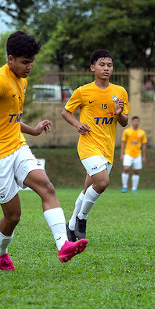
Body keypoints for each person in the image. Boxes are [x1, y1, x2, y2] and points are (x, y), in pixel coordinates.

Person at [0, 31, 87, 270]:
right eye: (25, 61)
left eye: (32, 61)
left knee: (47, 187)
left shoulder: (22, 80)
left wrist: (32, 131)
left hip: (17, 146)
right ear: (10, 59)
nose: (29, 66)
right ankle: (0, 249)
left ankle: (63, 245)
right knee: (13, 217)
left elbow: (8, 118)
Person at [61, 49, 129, 241]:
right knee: (102, 182)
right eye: (102, 64)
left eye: (109, 65)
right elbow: (65, 112)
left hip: (107, 148)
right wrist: (77, 124)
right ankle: (82, 218)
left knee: (87, 189)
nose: (106, 68)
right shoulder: (82, 91)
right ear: (93, 67)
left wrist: (119, 113)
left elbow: (124, 122)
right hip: (88, 145)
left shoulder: (119, 92)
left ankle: (71, 226)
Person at [120, 116, 147, 193]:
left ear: (139, 122)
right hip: (128, 153)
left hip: (138, 154)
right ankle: (124, 187)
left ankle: (134, 188)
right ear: (132, 122)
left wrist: (144, 156)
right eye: (134, 121)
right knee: (126, 168)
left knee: (136, 171)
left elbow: (144, 144)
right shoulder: (127, 131)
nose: (136, 123)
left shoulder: (142, 133)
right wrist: (122, 154)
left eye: (137, 121)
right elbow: (123, 142)